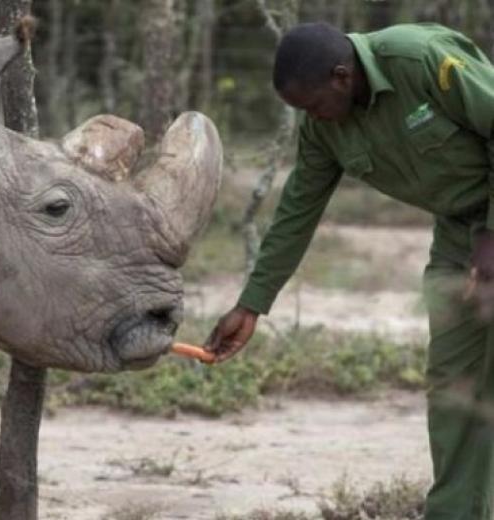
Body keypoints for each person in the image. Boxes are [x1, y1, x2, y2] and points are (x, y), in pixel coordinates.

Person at [205, 22, 494, 519]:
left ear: (342, 76)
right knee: (456, 386)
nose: (311, 119)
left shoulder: (419, 59)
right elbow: (298, 211)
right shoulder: (323, 128)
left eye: (313, 105)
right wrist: (251, 304)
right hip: (459, 236)